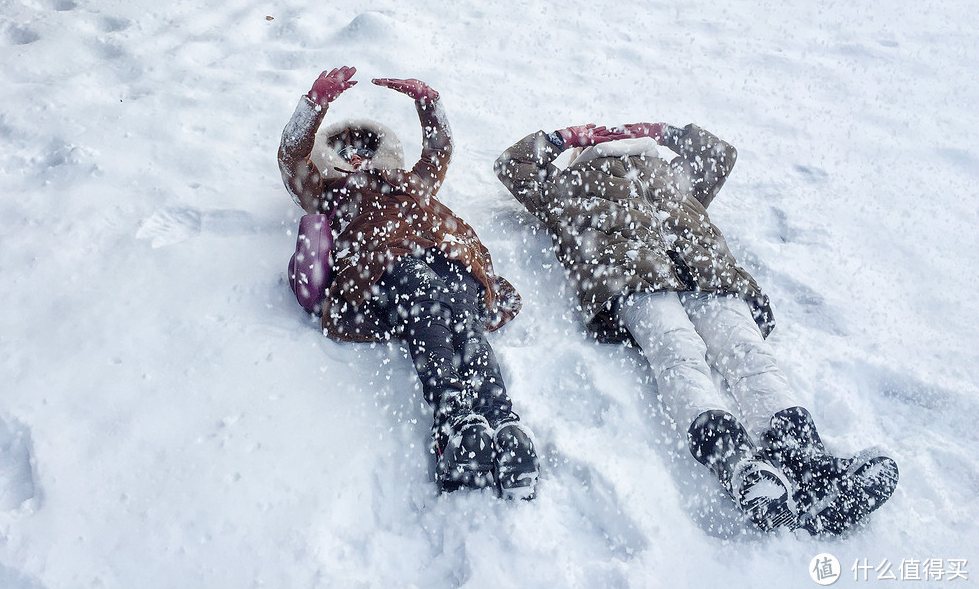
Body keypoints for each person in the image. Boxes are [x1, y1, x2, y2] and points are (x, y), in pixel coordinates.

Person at [494, 121, 898, 533]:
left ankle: (809, 462)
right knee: (679, 352)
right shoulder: (570, 184)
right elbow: (514, 164)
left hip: (708, 274)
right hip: (631, 276)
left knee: (750, 354)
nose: (613, 141)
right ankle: (737, 463)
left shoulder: (669, 173)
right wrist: (567, 138)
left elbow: (720, 155)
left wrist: (665, 132)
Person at [279, 66, 538, 498]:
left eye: (365, 149)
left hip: (450, 251)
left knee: (463, 317)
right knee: (429, 303)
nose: (358, 158)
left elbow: (441, 148)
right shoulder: (330, 192)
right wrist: (314, 105)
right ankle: (453, 420)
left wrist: (428, 102)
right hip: (384, 259)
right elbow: (292, 159)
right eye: (347, 153)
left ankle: (501, 422)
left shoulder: (413, 182)